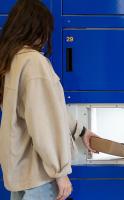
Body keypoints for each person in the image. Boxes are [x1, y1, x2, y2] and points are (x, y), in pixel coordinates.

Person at [0, 0, 98, 199]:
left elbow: (49, 111)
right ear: (36, 29)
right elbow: (44, 123)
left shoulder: (10, 61)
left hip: (19, 174)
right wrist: (59, 172)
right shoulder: (34, 63)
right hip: (40, 176)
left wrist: (81, 131)